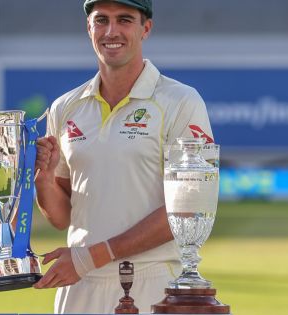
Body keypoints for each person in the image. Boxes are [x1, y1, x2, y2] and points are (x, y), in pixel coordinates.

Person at [33, 0, 215, 313]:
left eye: (125, 20)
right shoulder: (66, 107)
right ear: (88, 28)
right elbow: (62, 217)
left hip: (151, 282)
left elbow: (188, 211)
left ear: (146, 28)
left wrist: (92, 256)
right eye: (101, 20)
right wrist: (44, 179)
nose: (111, 31)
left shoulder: (180, 101)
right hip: (79, 284)